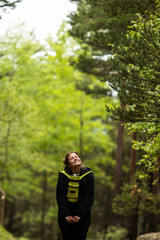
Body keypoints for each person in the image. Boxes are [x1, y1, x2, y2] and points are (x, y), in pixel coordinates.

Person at [56, 151, 94, 240]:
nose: (75, 158)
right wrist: (67, 215)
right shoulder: (62, 176)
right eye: (72, 158)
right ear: (68, 164)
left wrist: (79, 216)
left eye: (76, 156)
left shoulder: (89, 176)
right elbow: (60, 197)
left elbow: (89, 198)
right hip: (65, 217)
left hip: (83, 217)